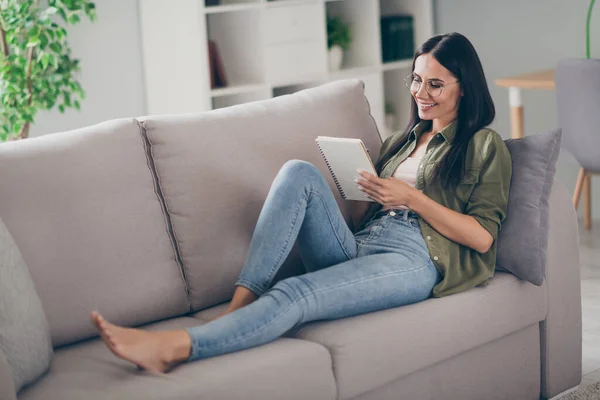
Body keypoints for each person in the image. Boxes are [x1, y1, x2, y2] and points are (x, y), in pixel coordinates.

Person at [90, 32, 512, 373]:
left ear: (464, 88)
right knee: (298, 172)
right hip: (364, 244)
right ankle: (240, 305)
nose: (422, 92)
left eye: (436, 83)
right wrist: (364, 187)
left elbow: (481, 238)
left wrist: (413, 199)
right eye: (417, 80)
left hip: (414, 258)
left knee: (296, 292)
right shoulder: (402, 141)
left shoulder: (483, 145)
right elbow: (371, 214)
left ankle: (176, 347)